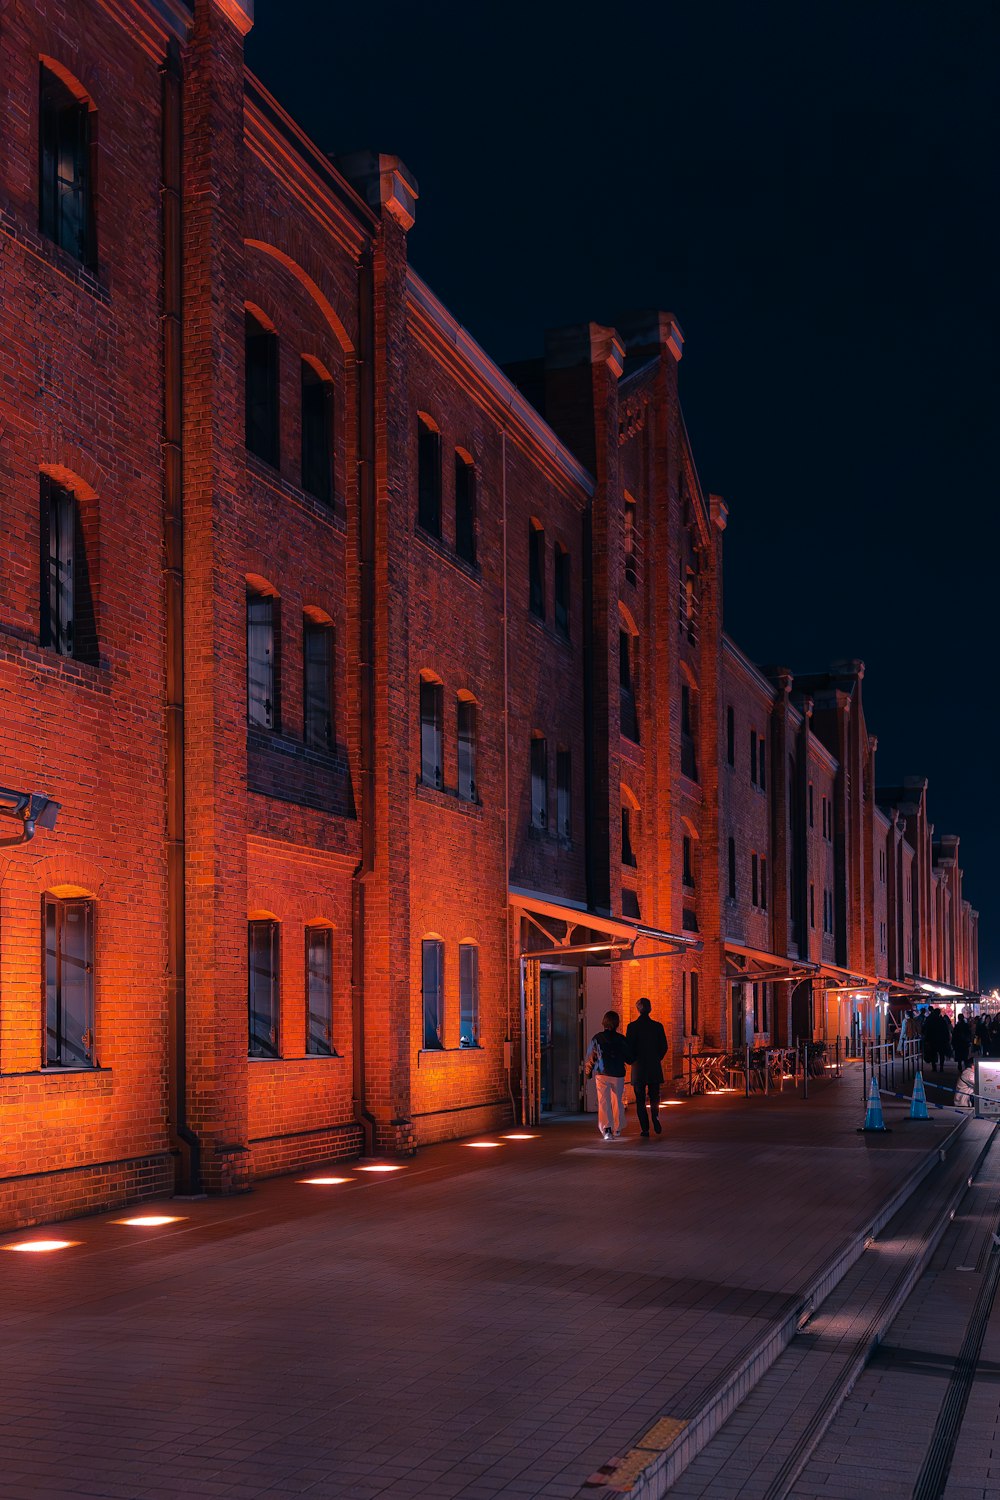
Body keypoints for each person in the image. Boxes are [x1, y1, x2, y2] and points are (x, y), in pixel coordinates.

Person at [584, 1011, 632, 1140]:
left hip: (602, 1073)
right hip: (618, 1074)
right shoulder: (621, 1039)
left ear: (604, 1022)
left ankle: (607, 1129)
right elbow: (630, 1057)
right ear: (617, 1024)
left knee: (604, 1102)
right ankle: (618, 1128)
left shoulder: (597, 1038)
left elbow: (590, 1057)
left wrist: (588, 1072)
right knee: (617, 1101)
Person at [625, 996, 669, 1137]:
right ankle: (655, 1117)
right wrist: (657, 1058)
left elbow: (629, 1047)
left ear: (638, 1010)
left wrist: (632, 1061)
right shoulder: (657, 1026)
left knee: (640, 1099)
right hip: (654, 1066)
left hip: (638, 1067)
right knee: (655, 1095)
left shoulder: (632, 1027)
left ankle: (645, 1128)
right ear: (650, 1009)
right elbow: (664, 1046)